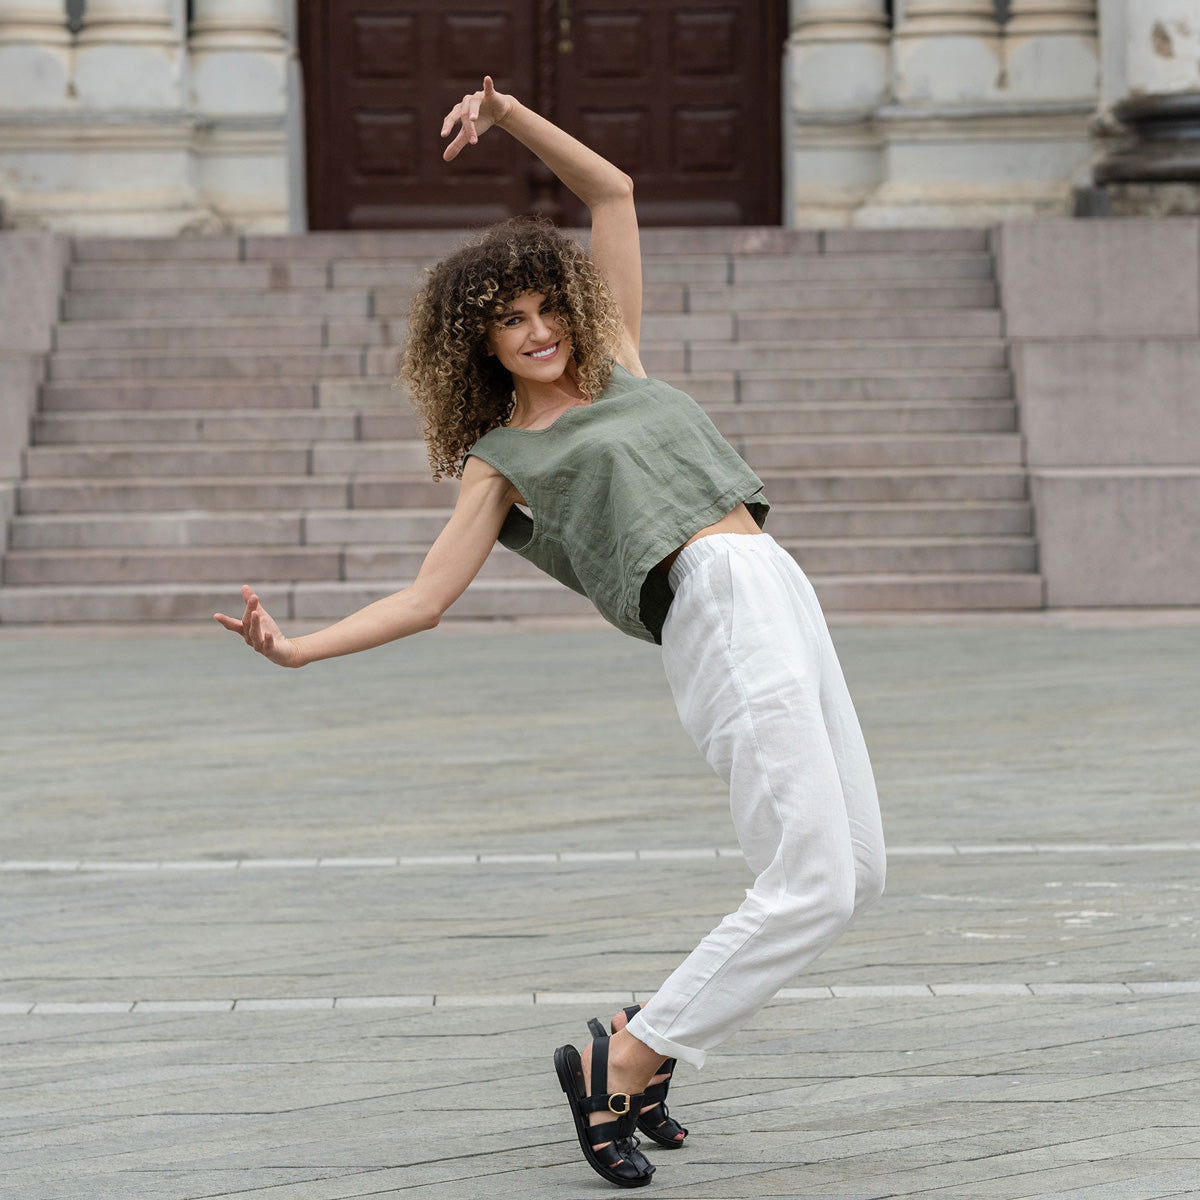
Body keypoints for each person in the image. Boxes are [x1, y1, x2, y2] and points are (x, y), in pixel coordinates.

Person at [214, 76, 886, 1190]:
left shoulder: (615, 357)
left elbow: (614, 193)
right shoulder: (502, 461)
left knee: (856, 872)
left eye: (542, 308)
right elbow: (425, 599)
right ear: (476, 346)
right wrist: (295, 648)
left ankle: (647, 1031)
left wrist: (509, 116)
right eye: (508, 322)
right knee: (808, 880)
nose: (535, 332)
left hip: (775, 582)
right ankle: (622, 1057)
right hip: (710, 608)